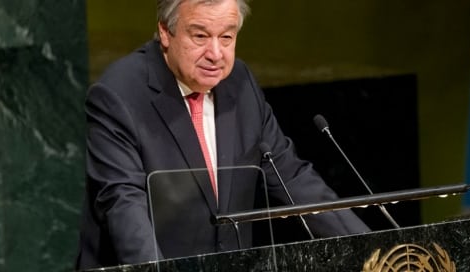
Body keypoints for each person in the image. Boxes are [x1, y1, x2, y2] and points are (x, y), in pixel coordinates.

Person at [75, 0, 371, 270]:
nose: (215, 54)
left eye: (226, 37)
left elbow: (291, 177)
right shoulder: (119, 94)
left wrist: (369, 251)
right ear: (165, 32)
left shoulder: (240, 84)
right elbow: (123, 203)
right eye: (200, 36)